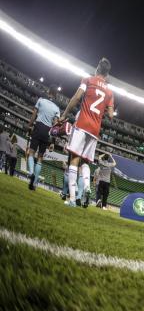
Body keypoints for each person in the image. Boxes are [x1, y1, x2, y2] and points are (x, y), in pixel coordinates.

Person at [59, 58, 115, 208]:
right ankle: (87, 186)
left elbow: (77, 97)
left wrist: (64, 115)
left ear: (97, 69)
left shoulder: (88, 80)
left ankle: (72, 199)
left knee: (74, 159)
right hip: (95, 130)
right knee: (85, 162)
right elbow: (111, 115)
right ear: (107, 75)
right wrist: (104, 109)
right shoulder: (110, 92)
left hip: (83, 124)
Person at [25, 86, 60, 191]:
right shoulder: (56, 108)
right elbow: (55, 127)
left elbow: (34, 115)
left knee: (31, 152)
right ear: (56, 95)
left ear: (48, 92)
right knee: (40, 158)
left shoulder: (41, 100)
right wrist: (53, 142)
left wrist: (29, 126)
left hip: (38, 126)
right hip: (47, 131)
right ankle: (34, 184)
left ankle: (31, 173)